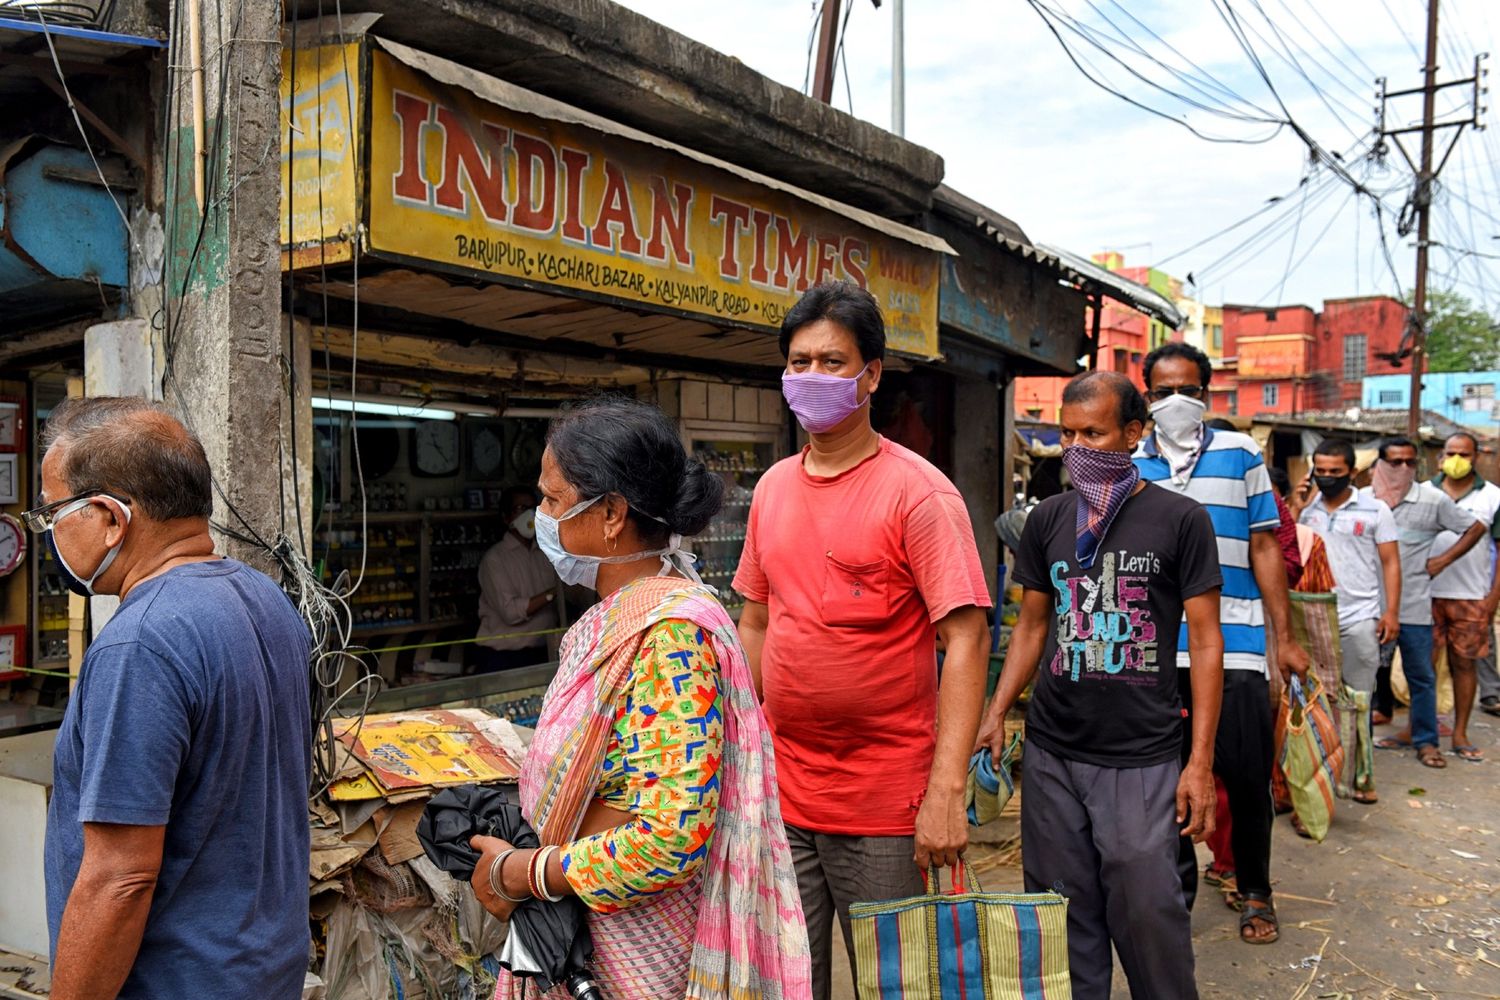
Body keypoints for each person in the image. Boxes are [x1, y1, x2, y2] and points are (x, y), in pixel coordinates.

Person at [466, 397, 810, 999]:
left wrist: (531, 871)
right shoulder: (616, 617)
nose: (542, 518)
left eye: (551, 500)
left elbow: (669, 838)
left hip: (644, 956)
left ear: (611, 514)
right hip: (590, 931)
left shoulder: (670, 637)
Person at [732, 281, 992, 999]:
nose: (812, 378)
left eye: (832, 362)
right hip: (784, 797)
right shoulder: (774, 488)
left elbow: (965, 641)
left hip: (885, 807)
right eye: (799, 362)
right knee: (787, 981)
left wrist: (946, 791)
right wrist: (746, 755)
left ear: (872, 375)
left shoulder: (919, 494)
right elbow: (756, 620)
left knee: (896, 985)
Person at [30, 397, 311, 999]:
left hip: (179, 982)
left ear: (110, 517)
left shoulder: (139, 643)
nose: (50, 530)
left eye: (52, 512)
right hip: (264, 969)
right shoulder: (266, 599)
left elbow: (121, 878)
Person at [977, 370, 1222, 999]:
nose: (1077, 446)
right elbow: (1031, 627)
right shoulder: (1049, 520)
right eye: (1067, 432)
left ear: (1134, 434)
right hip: (1055, 751)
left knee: (1149, 916)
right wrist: (996, 710)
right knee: (1060, 919)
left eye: (1094, 433)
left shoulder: (1180, 519)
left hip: (1143, 756)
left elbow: (1206, 641)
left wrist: (1199, 763)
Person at [1134, 341, 1309, 945]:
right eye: (1163, 391)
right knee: (1163, 778)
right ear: (1146, 396)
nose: (1176, 401)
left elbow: (1265, 545)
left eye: (1189, 389)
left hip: (1234, 642)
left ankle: (1255, 889)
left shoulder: (1240, 452)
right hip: (1153, 649)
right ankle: (1176, 891)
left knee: (1244, 772)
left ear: (1207, 394)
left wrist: (1283, 638)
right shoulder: (1131, 459)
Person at [1289, 439, 1401, 803]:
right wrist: (1298, 506)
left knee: (1359, 700)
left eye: (1334, 472)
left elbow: (1390, 562)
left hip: (1358, 617)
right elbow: (1286, 546)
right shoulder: (1308, 510)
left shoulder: (1375, 510)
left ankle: (1360, 778)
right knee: (1319, 702)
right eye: (1320, 471)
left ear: (1351, 472)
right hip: (1315, 617)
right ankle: (1322, 780)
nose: (1326, 478)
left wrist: (1391, 612)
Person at [1365, 438, 1485, 769]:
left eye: (1410, 463)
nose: (1403, 469)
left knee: (1422, 677)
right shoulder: (1363, 500)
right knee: (1363, 679)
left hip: (1414, 607)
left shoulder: (1432, 500)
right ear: (1380, 464)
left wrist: (1443, 560)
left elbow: (1474, 528)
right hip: (1367, 608)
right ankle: (1358, 745)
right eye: (1395, 462)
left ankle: (1426, 741)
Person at [1422, 432, 1500, 761]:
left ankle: (1460, 733)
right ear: (1440, 456)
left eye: (1464, 454)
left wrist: (1492, 600)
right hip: (1425, 594)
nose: (1457, 460)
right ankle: (1422, 729)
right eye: (1451, 453)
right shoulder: (1424, 492)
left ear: (1477, 457)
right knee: (1424, 667)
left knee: (1464, 665)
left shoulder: (1493, 497)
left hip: (1470, 595)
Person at [474, 485, 560, 672]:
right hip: (504, 658)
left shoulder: (546, 553)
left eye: (532, 508)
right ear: (506, 518)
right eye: (521, 509)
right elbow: (511, 613)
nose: (529, 515)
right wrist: (554, 593)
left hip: (543, 653)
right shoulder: (495, 559)